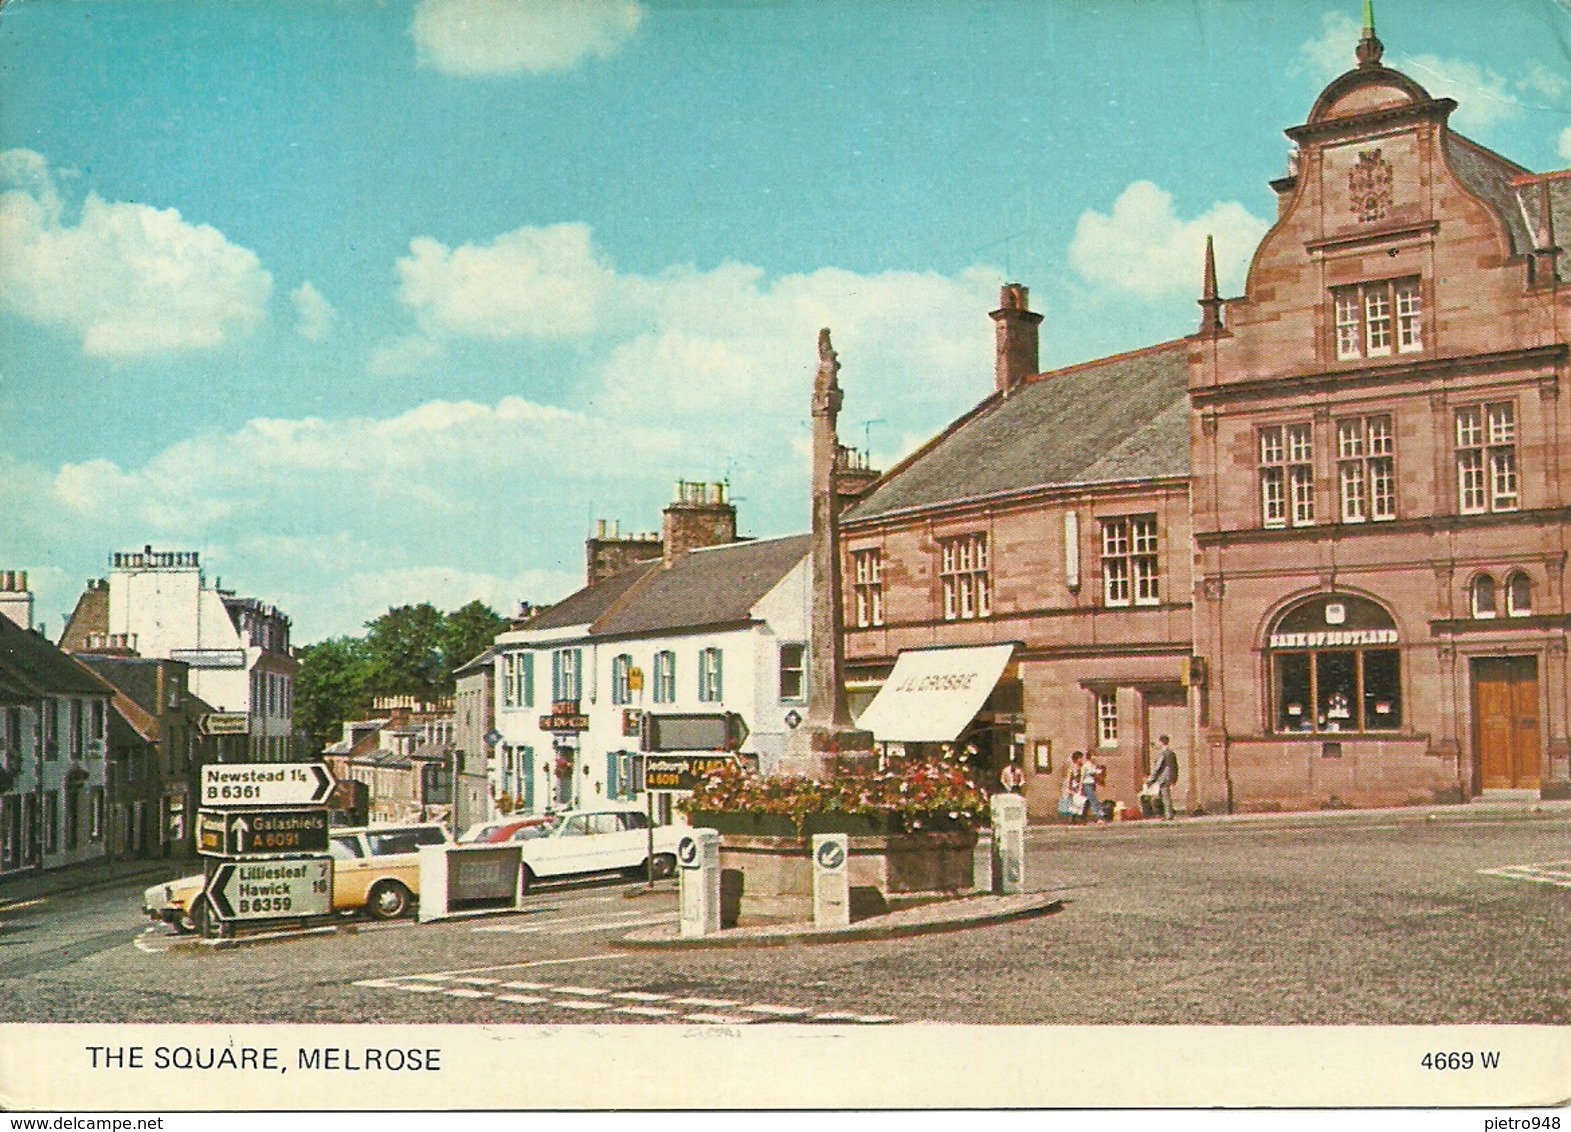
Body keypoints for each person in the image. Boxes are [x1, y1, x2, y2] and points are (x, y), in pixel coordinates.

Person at [1146, 734, 1179, 821]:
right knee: (1164, 795)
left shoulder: (1163, 753)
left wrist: (1151, 779)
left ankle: (1168, 814)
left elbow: (1158, 767)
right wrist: (1175, 778)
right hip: (1169, 777)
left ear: (1161, 742)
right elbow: (1175, 766)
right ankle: (1167, 813)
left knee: (1165, 796)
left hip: (1164, 778)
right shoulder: (1171, 752)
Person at [1080, 751, 1107, 823]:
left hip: (1092, 784)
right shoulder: (1086, 765)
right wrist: (1080, 787)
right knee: (1093, 800)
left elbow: (1096, 775)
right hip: (1087, 784)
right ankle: (1099, 816)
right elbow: (1083, 776)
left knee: (1088, 801)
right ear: (1089, 757)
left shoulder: (1093, 765)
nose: (1095, 757)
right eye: (1093, 756)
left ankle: (1082, 816)